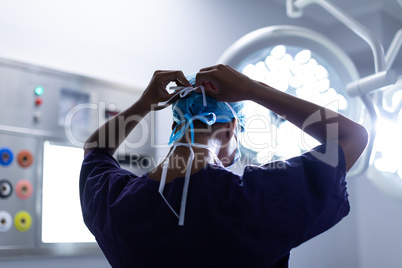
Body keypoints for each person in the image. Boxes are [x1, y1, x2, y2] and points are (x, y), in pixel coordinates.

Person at [80, 64, 368, 267]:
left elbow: (95, 149)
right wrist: (255, 90)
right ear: (231, 129)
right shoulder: (261, 198)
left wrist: (143, 103)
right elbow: (352, 136)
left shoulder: (116, 204)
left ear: (174, 125)